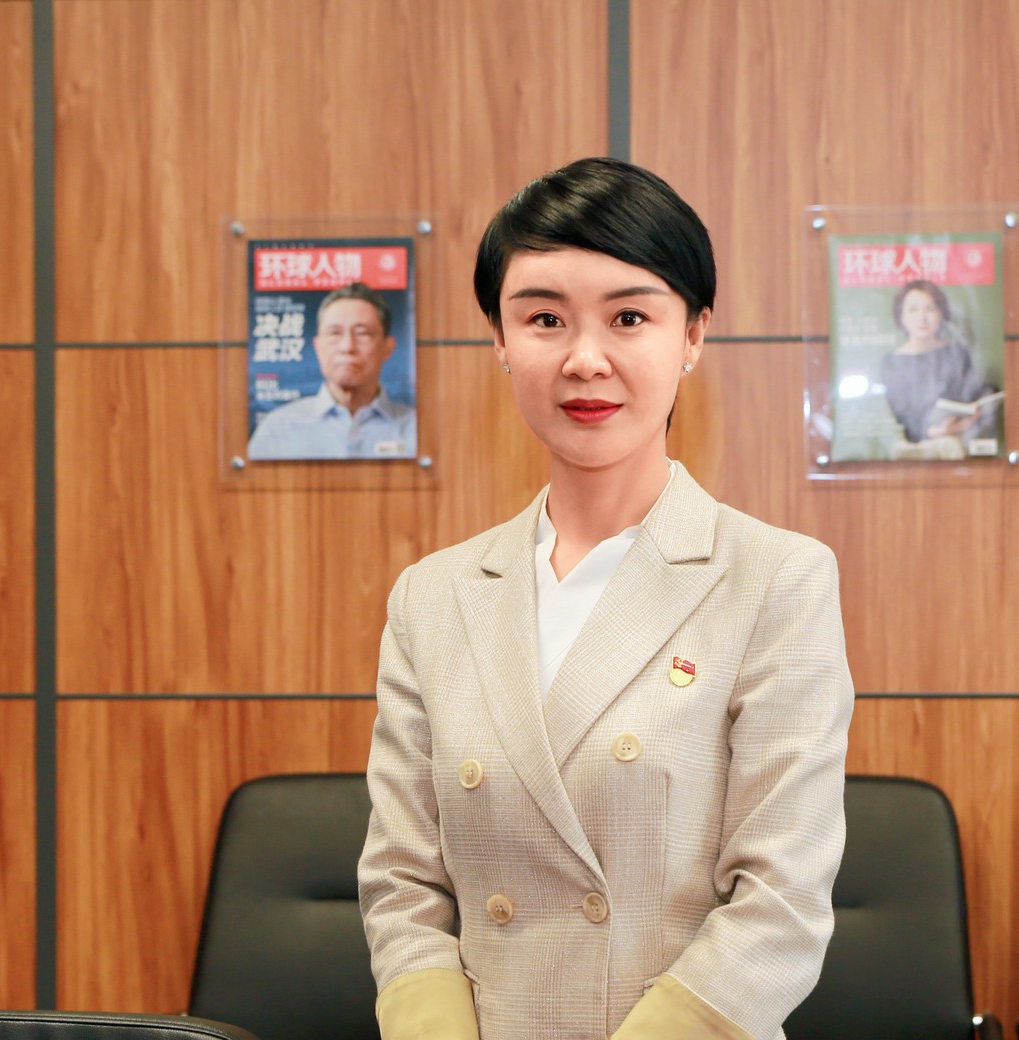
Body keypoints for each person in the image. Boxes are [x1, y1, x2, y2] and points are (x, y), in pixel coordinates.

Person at [358, 158, 854, 1040]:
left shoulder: (777, 579)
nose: (585, 359)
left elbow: (781, 900)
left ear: (693, 335)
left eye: (629, 317)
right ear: (500, 338)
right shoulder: (433, 598)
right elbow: (402, 883)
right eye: (544, 319)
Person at [247, 282, 416, 459]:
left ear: (388, 347)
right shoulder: (277, 430)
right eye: (334, 333)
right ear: (317, 346)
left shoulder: (417, 428)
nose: (347, 347)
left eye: (362, 333)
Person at [881, 279, 1000, 452]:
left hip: (963, 437)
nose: (922, 317)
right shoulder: (893, 362)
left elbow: (972, 392)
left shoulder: (957, 351)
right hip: (920, 446)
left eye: (930, 309)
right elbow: (903, 417)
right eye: (913, 310)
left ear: (941, 314)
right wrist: (935, 432)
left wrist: (978, 409)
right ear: (902, 317)